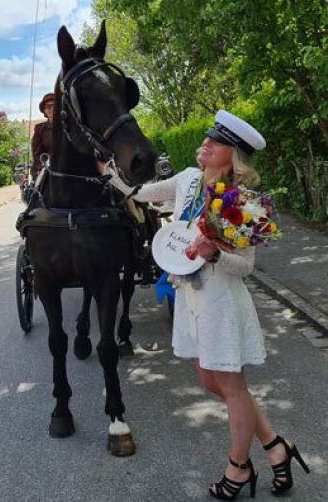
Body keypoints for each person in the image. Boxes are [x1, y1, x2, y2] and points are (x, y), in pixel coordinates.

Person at [109, 110, 310, 499]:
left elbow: (246, 268)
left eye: (215, 142)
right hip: (188, 297)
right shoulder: (186, 178)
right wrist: (112, 175)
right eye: (206, 138)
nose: (205, 144)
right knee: (208, 380)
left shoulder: (244, 203)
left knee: (233, 387)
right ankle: (275, 446)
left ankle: (238, 468)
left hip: (221, 300)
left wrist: (214, 254)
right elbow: (143, 193)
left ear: (231, 154)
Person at [30, 92, 55, 177]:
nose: (50, 109)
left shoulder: (69, 126)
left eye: (53, 105)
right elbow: (37, 154)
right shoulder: (39, 129)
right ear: (44, 110)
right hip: (46, 169)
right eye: (47, 107)